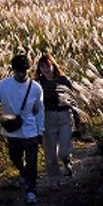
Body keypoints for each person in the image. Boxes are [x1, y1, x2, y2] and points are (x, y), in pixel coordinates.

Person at [0, 53, 45, 205]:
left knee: (31, 160)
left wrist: (40, 131)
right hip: (12, 130)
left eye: (25, 70)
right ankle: (24, 174)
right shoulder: (3, 85)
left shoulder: (36, 88)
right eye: (19, 71)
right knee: (14, 157)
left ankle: (31, 190)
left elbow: (39, 110)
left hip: (30, 130)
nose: (22, 73)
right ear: (13, 70)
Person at [35, 51, 77, 190]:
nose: (45, 69)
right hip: (47, 118)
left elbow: (73, 100)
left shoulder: (63, 80)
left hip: (64, 117)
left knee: (64, 152)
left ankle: (67, 162)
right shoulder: (38, 84)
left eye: (47, 66)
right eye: (42, 67)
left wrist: (78, 120)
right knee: (50, 154)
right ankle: (54, 180)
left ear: (53, 65)